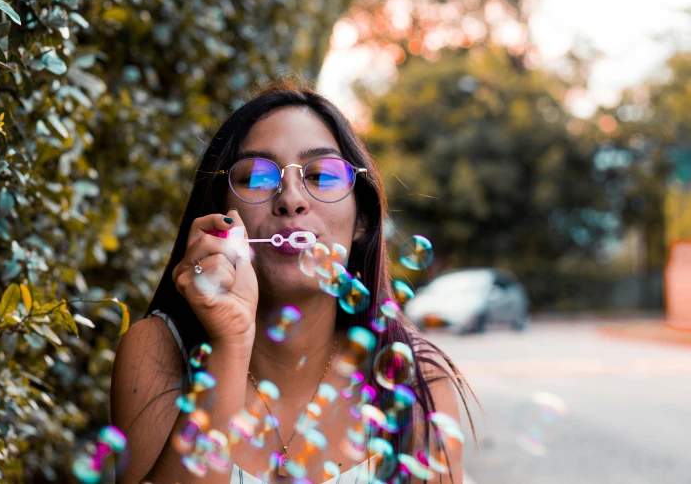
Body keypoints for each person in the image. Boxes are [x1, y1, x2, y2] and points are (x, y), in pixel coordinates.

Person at [111, 77, 476, 484]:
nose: (290, 198)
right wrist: (230, 342)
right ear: (219, 215)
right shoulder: (156, 352)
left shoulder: (418, 382)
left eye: (321, 175)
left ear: (363, 220)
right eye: (256, 178)